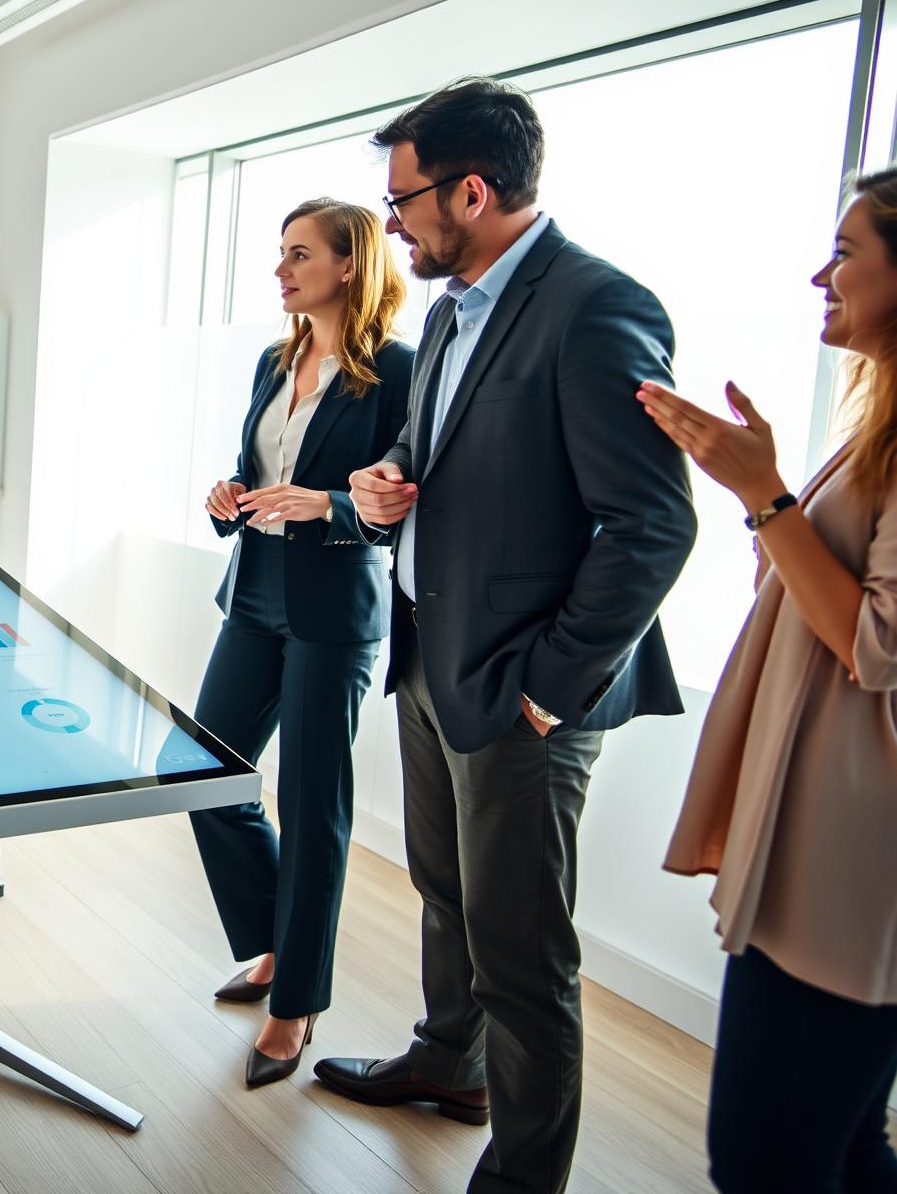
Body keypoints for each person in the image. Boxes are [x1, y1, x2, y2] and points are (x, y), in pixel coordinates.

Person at [319, 78, 697, 1193]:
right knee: (447, 892)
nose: (391, 223)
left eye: (402, 202)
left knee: (524, 953)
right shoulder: (448, 312)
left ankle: (524, 1175)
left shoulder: (594, 307)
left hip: (524, 690)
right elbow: (438, 456)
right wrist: (387, 483)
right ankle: (448, 1061)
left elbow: (652, 526)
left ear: (472, 191)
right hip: (433, 658)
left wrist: (551, 686)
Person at [648, 166, 897, 1194]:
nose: (818, 274)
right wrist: (771, 499)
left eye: (844, 251)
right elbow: (809, 589)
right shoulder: (876, 429)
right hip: (838, 849)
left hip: (855, 863)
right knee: (840, 1149)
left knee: (765, 1161)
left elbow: (875, 644)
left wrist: (762, 496)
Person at [190, 198, 413, 1088]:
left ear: (350, 264)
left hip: (334, 609)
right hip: (254, 593)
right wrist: (230, 492)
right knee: (208, 774)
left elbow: (404, 500)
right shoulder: (272, 361)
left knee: (313, 804)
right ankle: (278, 947)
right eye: (280, 254)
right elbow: (262, 470)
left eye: (299, 254)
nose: (281, 271)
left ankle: (296, 1005)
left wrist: (332, 506)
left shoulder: (397, 370)